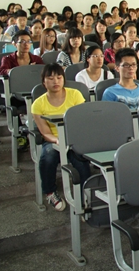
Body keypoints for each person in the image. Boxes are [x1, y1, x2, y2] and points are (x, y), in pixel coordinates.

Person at [33, 64, 89, 212]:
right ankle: (50, 192)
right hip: (54, 139)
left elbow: (82, 121)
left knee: (81, 162)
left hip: (74, 138)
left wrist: (72, 140)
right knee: (48, 156)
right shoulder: (38, 104)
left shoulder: (75, 95)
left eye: (59, 77)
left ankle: (84, 197)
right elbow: (45, 132)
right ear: (44, 81)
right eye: (50, 78)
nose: (55, 81)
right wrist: (57, 140)